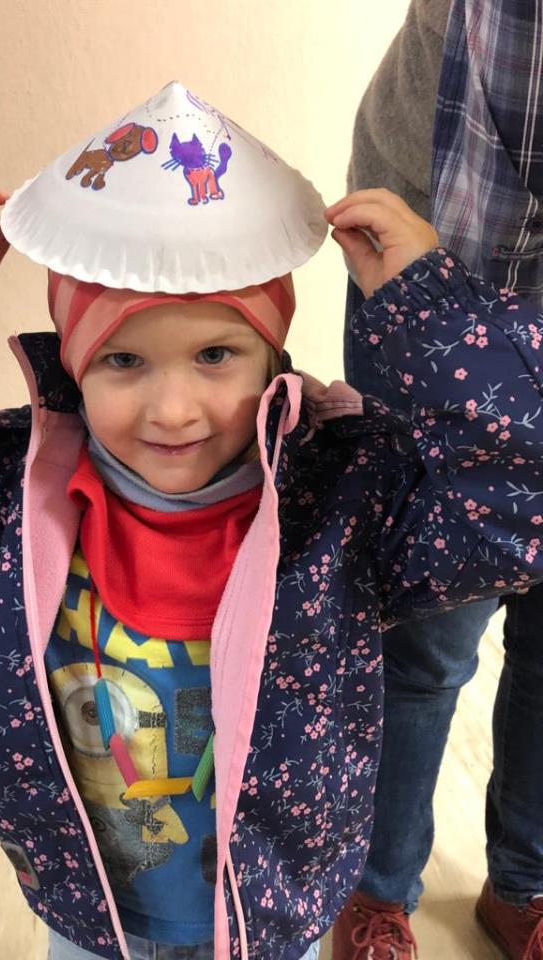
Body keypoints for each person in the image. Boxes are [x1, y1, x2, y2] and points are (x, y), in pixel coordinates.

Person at [0, 82, 543, 960]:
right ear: (73, 367)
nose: (172, 410)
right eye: (123, 360)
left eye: (215, 354)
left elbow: (522, 505)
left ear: (272, 356)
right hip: (92, 907)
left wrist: (428, 312)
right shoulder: (27, 476)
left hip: (273, 910)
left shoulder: (346, 497)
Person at [333, 2, 543, 959]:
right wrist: (432, 308)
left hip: (447, 268)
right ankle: (378, 888)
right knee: (424, 637)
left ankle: (525, 881)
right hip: (439, 240)